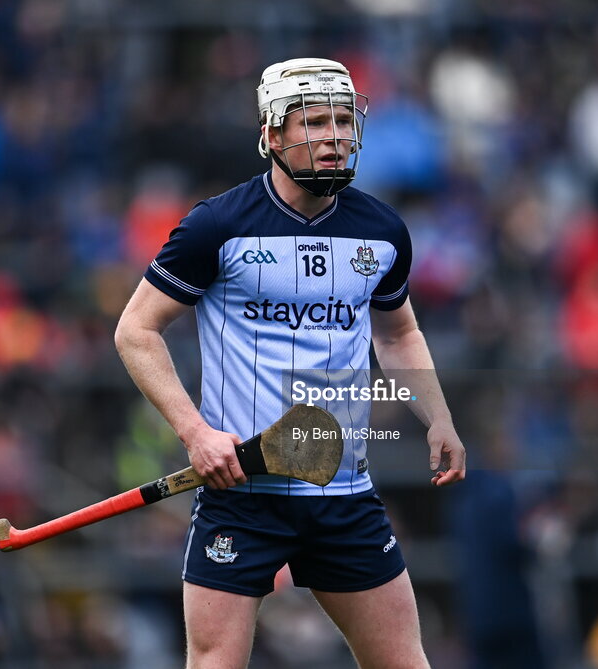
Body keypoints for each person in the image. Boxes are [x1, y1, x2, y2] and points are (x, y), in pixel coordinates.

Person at [114, 57, 465, 669]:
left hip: (343, 492)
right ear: (272, 135)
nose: (333, 138)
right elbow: (136, 331)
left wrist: (438, 417)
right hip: (240, 493)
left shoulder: (382, 232)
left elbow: (399, 332)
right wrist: (194, 432)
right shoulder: (216, 226)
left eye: (342, 122)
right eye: (313, 123)